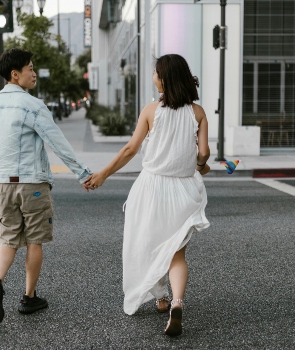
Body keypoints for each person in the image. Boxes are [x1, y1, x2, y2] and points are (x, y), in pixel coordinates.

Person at [84, 54, 210, 337]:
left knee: (150, 243)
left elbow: (130, 150)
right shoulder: (197, 112)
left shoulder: (151, 111)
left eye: (155, 72)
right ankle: (175, 302)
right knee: (176, 251)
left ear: (164, 78)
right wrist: (201, 166)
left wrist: (103, 174)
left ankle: (161, 298)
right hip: (183, 190)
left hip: (151, 188)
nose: (153, 76)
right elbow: (203, 153)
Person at [0, 48, 93, 324]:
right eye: (29, 68)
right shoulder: (32, 105)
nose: (33, 73)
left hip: (1, 183)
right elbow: (57, 142)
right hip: (32, 184)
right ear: (15, 74)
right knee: (34, 240)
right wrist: (82, 173)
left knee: (7, 239)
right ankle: (29, 298)